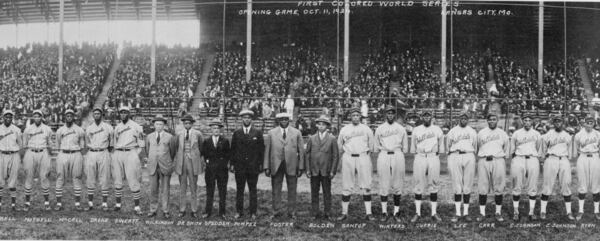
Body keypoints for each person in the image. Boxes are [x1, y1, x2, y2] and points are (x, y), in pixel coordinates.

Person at [336, 108, 375, 221]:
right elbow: (339, 145)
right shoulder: (344, 129)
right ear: (350, 117)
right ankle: (344, 213)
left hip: (363, 156)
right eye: (353, 115)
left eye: (357, 115)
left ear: (360, 117)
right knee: (347, 185)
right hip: (348, 156)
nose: (355, 117)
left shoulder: (366, 129)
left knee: (366, 184)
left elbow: (371, 146)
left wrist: (365, 155)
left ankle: (369, 213)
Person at [264, 112, 304, 219]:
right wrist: (266, 166)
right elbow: (267, 151)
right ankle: (276, 210)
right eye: (281, 119)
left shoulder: (296, 132)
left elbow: (301, 151)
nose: (284, 121)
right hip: (276, 165)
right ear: (278, 121)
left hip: (291, 164)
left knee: (292, 189)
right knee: (276, 189)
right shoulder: (271, 133)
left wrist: (300, 167)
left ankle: (292, 212)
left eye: (286, 119)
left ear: (289, 120)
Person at [374, 106, 408, 222]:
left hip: (397, 154)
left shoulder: (400, 128)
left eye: (392, 113)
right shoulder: (379, 128)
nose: (390, 115)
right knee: (383, 184)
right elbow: (376, 145)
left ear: (395, 115)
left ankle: (396, 212)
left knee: (397, 184)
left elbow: (405, 147)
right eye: (388, 113)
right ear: (385, 115)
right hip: (384, 154)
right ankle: (384, 212)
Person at [410, 111, 444, 222]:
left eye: (428, 115)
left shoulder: (437, 129)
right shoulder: (416, 129)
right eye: (425, 116)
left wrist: (434, 154)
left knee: (433, 183)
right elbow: (413, 147)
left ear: (432, 117)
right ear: (422, 117)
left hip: (433, 156)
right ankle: (417, 213)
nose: (427, 117)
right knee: (418, 183)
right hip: (420, 156)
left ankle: (434, 213)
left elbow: (440, 146)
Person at [231, 109, 264, 219]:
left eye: (249, 117)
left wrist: (260, 164)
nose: (247, 119)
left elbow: (261, 150)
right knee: (239, 190)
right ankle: (239, 211)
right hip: (240, 167)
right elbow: (233, 150)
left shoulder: (257, 133)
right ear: (242, 119)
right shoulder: (237, 133)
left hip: (253, 167)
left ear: (251, 119)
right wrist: (232, 164)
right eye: (244, 117)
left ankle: (253, 212)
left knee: (253, 189)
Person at [476, 113, 510, 222]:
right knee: (482, 187)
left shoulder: (502, 133)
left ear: (497, 120)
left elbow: (506, 148)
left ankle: (498, 212)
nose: (492, 121)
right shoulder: (481, 133)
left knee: (499, 187)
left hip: (498, 159)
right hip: (484, 160)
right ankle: (482, 213)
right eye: (490, 119)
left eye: (494, 119)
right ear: (487, 121)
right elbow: (477, 147)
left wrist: (499, 156)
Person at [539, 116, 574, 220]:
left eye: (560, 121)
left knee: (566, 184)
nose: (558, 123)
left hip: (563, 159)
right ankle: (543, 211)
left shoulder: (567, 135)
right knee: (547, 185)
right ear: (553, 123)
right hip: (551, 158)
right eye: (556, 121)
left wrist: (567, 160)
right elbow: (543, 150)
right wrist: (542, 161)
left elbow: (570, 151)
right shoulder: (547, 135)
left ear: (563, 123)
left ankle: (569, 212)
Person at [112, 106, 145, 215]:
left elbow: (141, 144)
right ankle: (117, 205)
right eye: (121, 112)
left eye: (125, 112)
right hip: (118, 152)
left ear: (129, 114)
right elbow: (114, 143)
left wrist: (136, 154)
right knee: (117, 179)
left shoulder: (136, 126)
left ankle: (136, 207)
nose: (123, 114)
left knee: (133, 179)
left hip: (131, 152)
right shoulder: (117, 127)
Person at [305, 115, 339, 220]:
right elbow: (307, 154)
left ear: (327, 126)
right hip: (314, 170)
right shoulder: (312, 138)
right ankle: (315, 212)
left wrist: (333, 170)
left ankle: (327, 212)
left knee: (327, 192)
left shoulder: (332, 138)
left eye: (323, 124)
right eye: (319, 124)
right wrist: (308, 169)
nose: (321, 126)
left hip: (326, 170)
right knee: (314, 192)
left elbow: (335, 156)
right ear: (316, 125)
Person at [445, 112, 477, 222]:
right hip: (455, 155)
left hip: (469, 155)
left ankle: (466, 212)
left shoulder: (472, 131)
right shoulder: (452, 131)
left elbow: (475, 146)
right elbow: (448, 146)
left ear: (468, 120)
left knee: (467, 185)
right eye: (462, 118)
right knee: (457, 185)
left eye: (465, 118)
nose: (463, 120)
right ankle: (458, 213)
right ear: (459, 119)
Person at [510, 114, 543, 221]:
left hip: (532, 158)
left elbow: (538, 147)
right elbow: (512, 148)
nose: (527, 122)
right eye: (525, 120)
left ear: (532, 122)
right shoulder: (516, 133)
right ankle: (516, 212)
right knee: (517, 185)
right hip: (519, 158)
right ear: (522, 121)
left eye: (529, 120)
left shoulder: (537, 134)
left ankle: (531, 212)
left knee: (532, 186)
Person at [145, 115, 177, 219]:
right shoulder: (149, 136)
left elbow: (172, 152)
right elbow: (147, 150)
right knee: (153, 189)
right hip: (153, 165)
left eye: (161, 124)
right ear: (153, 125)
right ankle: (152, 209)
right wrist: (152, 159)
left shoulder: (169, 137)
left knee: (165, 189)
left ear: (164, 125)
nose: (159, 126)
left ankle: (165, 210)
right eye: (157, 124)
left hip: (165, 166)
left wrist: (167, 160)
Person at [54, 109, 86, 210]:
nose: (69, 117)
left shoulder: (79, 130)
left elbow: (82, 146)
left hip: (76, 153)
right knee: (60, 178)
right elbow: (58, 145)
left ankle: (77, 204)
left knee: (76, 178)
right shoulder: (60, 130)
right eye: (67, 115)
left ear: (73, 117)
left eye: (71, 115)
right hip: (63, 153)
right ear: (65, 117)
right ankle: (59, 204)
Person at [84, 107, 114, 211]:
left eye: (98, 114)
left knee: (104, 177)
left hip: (103, 152)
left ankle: (104, 203)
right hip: (92, 152)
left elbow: (111, 143)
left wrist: (106, 150)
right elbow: (87, 142)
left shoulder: (108, 127)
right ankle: (90, 203)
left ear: (102, 115)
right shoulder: (89, 128)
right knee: (90, 177)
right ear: (93, 116)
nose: (97, 115)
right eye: (95, 114)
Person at [22, 109, 53, 211]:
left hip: (43, 152)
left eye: (39, 116)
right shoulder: (28, 129)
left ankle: (47, 202)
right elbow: (24, 144)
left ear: (42, 117)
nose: (37, 118)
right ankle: (27, 203)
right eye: (35, 116)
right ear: (33, 117)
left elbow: (50, 144)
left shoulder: (47, 129)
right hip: (31, 152)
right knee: (28, 176)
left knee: (44, 176)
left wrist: (49, 155)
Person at [175, 114, 203, 218]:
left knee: (193, 186)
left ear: (192, 123)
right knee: (182, 186)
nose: (187, 125)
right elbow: (176, 147)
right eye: (185, 123)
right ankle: (182, 209)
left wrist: (195, 156)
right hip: (182, 161)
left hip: (193, 162)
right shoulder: (179, 134)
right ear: (183, 124)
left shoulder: (198, 134)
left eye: (189, 123)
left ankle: (194, 209)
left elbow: (201, 146)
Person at [202, 119, 231, 218]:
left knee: (222, 191)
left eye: (218, 128)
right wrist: (207, 161)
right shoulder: (207, 141)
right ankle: (207, 211)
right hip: (210, 170)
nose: (216, 130)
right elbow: (204, 154)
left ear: (220, 130)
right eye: (214, 128)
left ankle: (222, 212)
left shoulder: (225, 141)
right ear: (211, 129)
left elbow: (228, 155)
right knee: (210, 191)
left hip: (222, 170)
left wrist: (223, 163)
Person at [573, 116, 600, 220]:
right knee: (582, 184)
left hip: (594, 157)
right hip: (583, 157)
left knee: (596, 184)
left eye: (591, 122)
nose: (589, 124)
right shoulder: (578, 135)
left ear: (594, 124)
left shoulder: (598, 134)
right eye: (587, 122)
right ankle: (580, 210)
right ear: (584, 123)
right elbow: (576, 149)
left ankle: (597, 211)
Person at [0, 110, 22, 211]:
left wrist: (20, 157)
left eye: (10, 117)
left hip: (14, 154)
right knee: (0, 179)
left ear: (12, 118)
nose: (8, 118)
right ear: (3, 117)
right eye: (6, 117)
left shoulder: (17, 129)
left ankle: (13, 204)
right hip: (2, 154)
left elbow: (20, 144)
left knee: (13, 179)